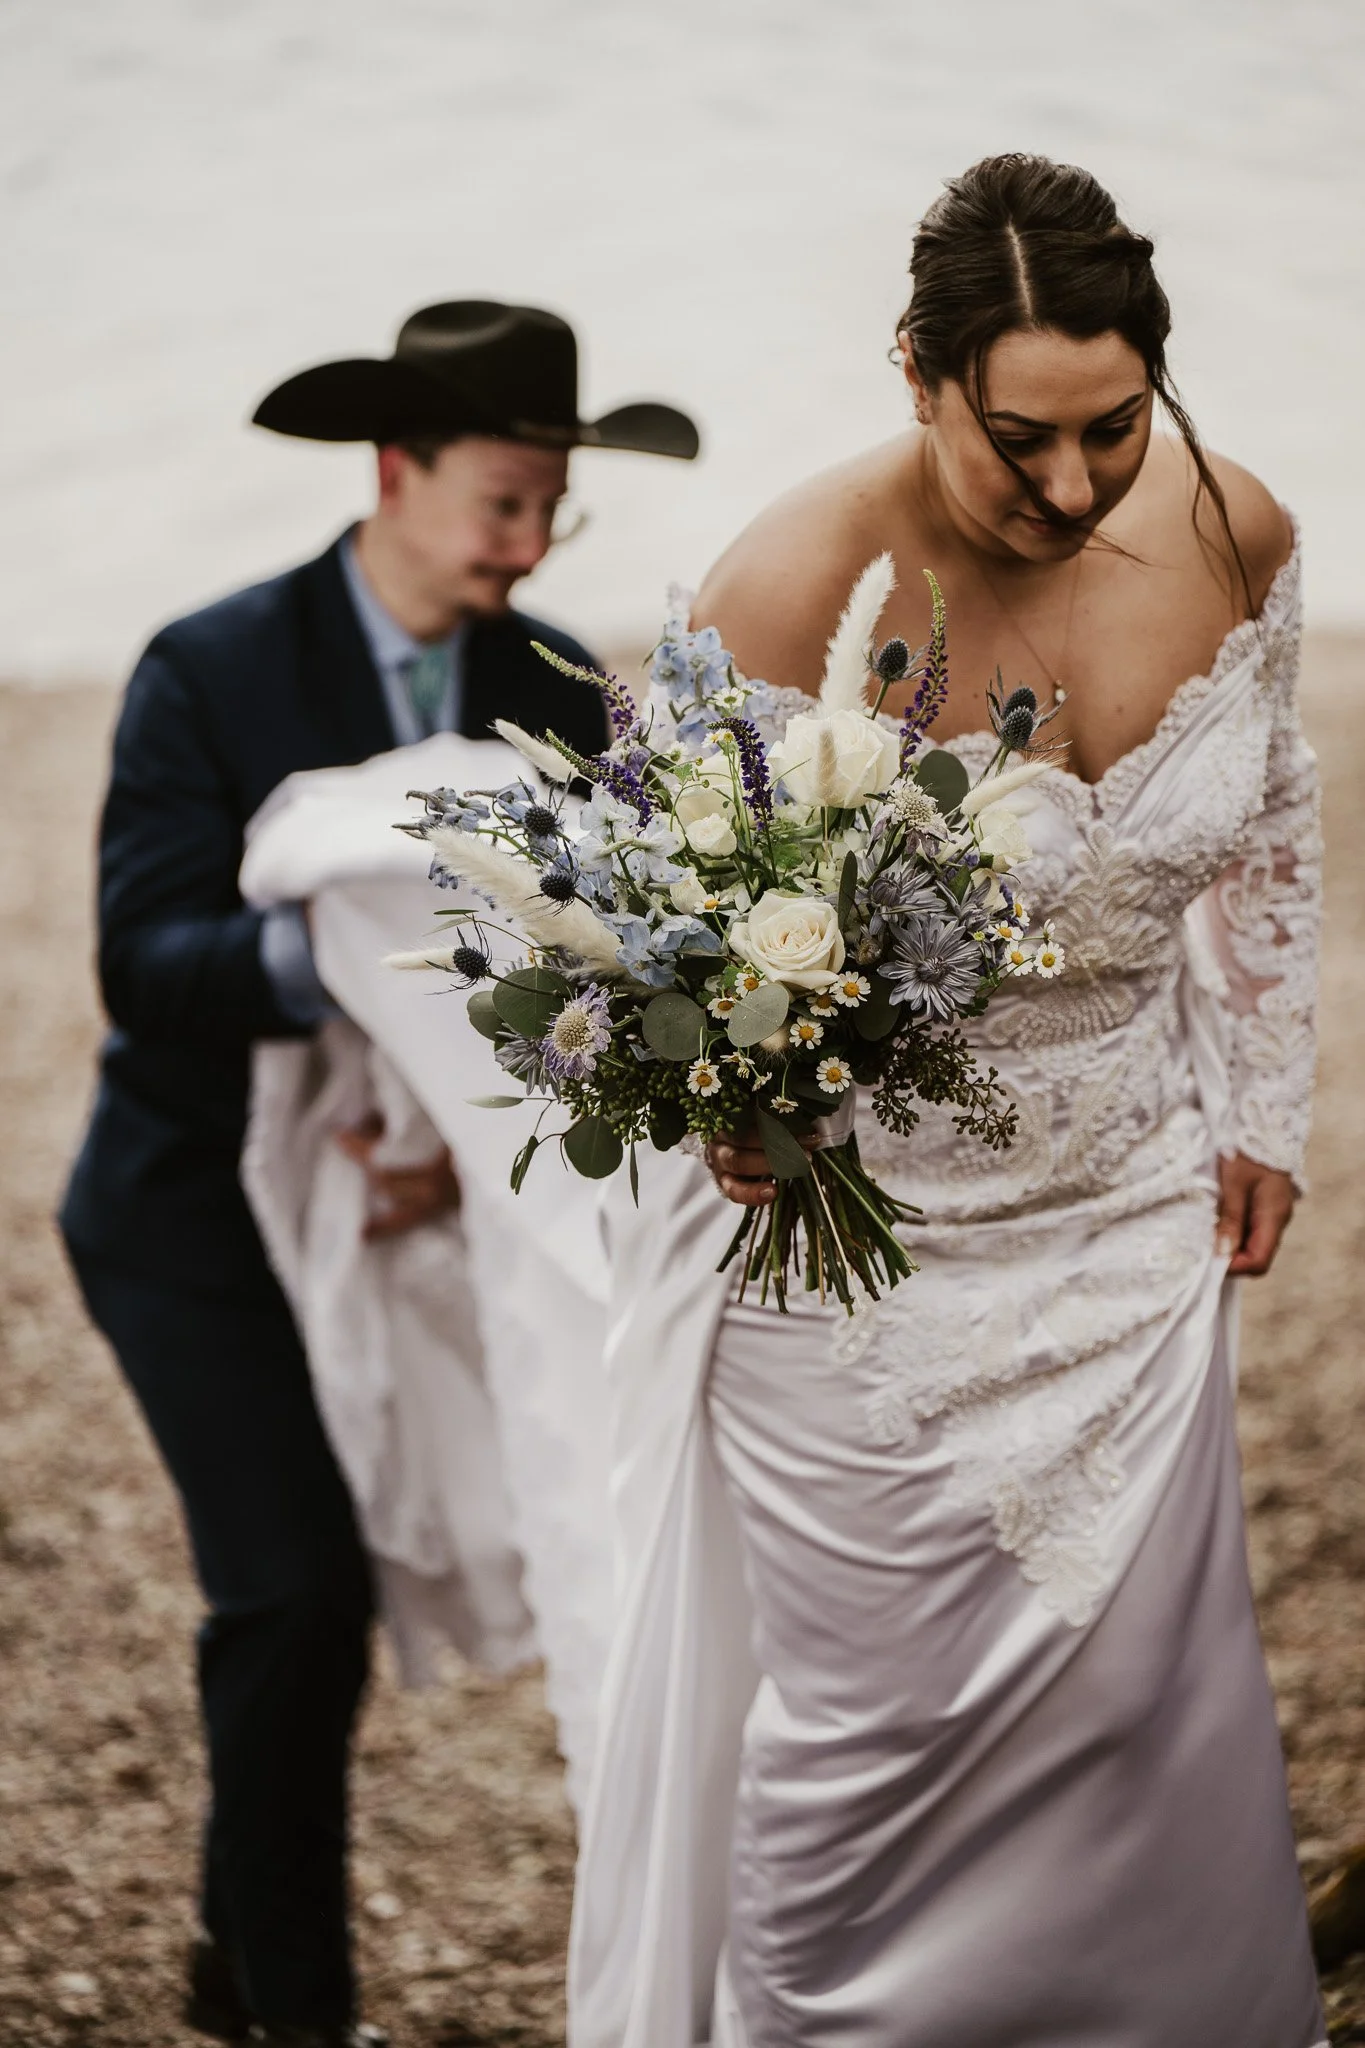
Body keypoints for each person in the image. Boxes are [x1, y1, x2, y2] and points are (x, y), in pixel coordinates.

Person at [566, 158, 1325, 2047]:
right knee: (866, 1747)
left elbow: (1275, 820)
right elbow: (635, 951)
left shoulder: (1242, 536)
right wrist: (719, 1086)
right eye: (1019, 441)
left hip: (1138, 1230)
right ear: (916, 372)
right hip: (853, 1285)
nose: (1073, 488)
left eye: (1116, 429)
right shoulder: (784, 586)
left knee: (1141, 1716)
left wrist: (1263, 1093)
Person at [58, 300, 698, 2048]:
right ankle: (293, 2011)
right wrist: (356, 952)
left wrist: (443, 1137)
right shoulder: (213, 665)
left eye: (555, 509)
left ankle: (220, 1944)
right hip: (186, 1201)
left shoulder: (555, 680)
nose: (528, 545)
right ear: (395, 469)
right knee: (298, 1594)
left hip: (428, 1210)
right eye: (503, 500)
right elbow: (142, 962)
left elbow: (609, 966)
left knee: (431, 1564)